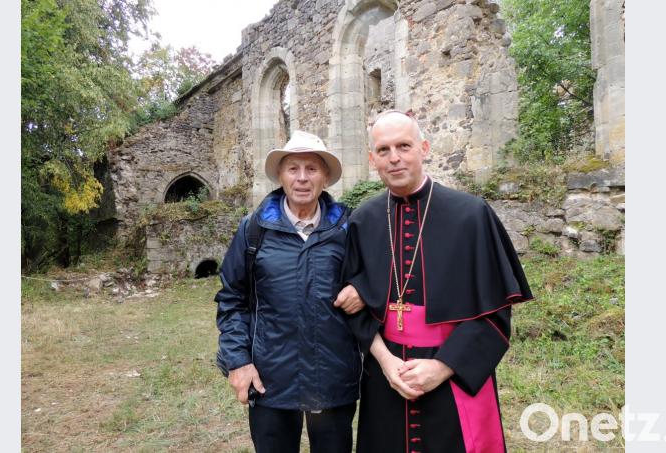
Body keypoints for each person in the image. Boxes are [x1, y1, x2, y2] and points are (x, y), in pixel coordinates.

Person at [334, 110, 533, 452]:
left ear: (424, 148)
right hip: (387, 375)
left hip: (454, 369)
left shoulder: (471, 214)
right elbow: (354, 309)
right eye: (383, 150)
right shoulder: (364, 220)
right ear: (372, 159)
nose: (394, 158)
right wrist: (385, 361)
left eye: (404, 146)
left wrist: (442, 367)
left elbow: (496, 315)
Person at [215, 130, 363, 453]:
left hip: (333, 376)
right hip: (270, 378)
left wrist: (363, 290)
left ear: (325, 176)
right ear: (280, 175)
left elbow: (377, 278)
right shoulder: (254, 229)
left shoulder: (349, 228)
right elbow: (231, 299)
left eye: (311, 168)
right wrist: (237, 361)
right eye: (293, 168)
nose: (302, 178)